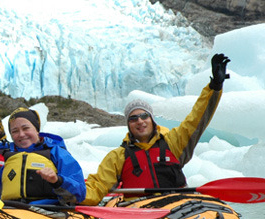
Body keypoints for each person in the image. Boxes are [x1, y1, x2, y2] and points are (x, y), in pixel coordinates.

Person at [82, 53, 231, 205]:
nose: (140, 121)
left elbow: (197, 118)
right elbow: (97, 186)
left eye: (144, 116)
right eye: (133, 119)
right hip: (139, 210)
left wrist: (215, 87)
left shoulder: (173, 143)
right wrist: (68, 192)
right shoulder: (118, 157)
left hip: (178, 206)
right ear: (128, 125)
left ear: (152, 120)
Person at [0, 108, 86, 205]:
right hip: (11, 212)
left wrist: (57, 181)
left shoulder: (56, 153)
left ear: (36, 130)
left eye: (26, 128)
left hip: (50, 212)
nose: (21, 134)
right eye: (15, 131)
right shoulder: (10, 159)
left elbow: (80, 193)